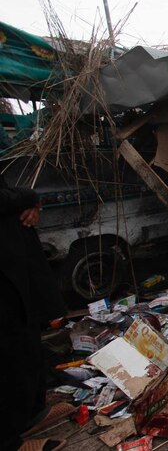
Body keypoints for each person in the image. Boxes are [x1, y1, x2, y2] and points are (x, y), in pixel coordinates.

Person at [1, 174, 69, 451]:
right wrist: (26, 197)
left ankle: (30, 413)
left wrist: (26, 204)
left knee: (24, 339)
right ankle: (9, 442)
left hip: (13, 266)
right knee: (5, 349)